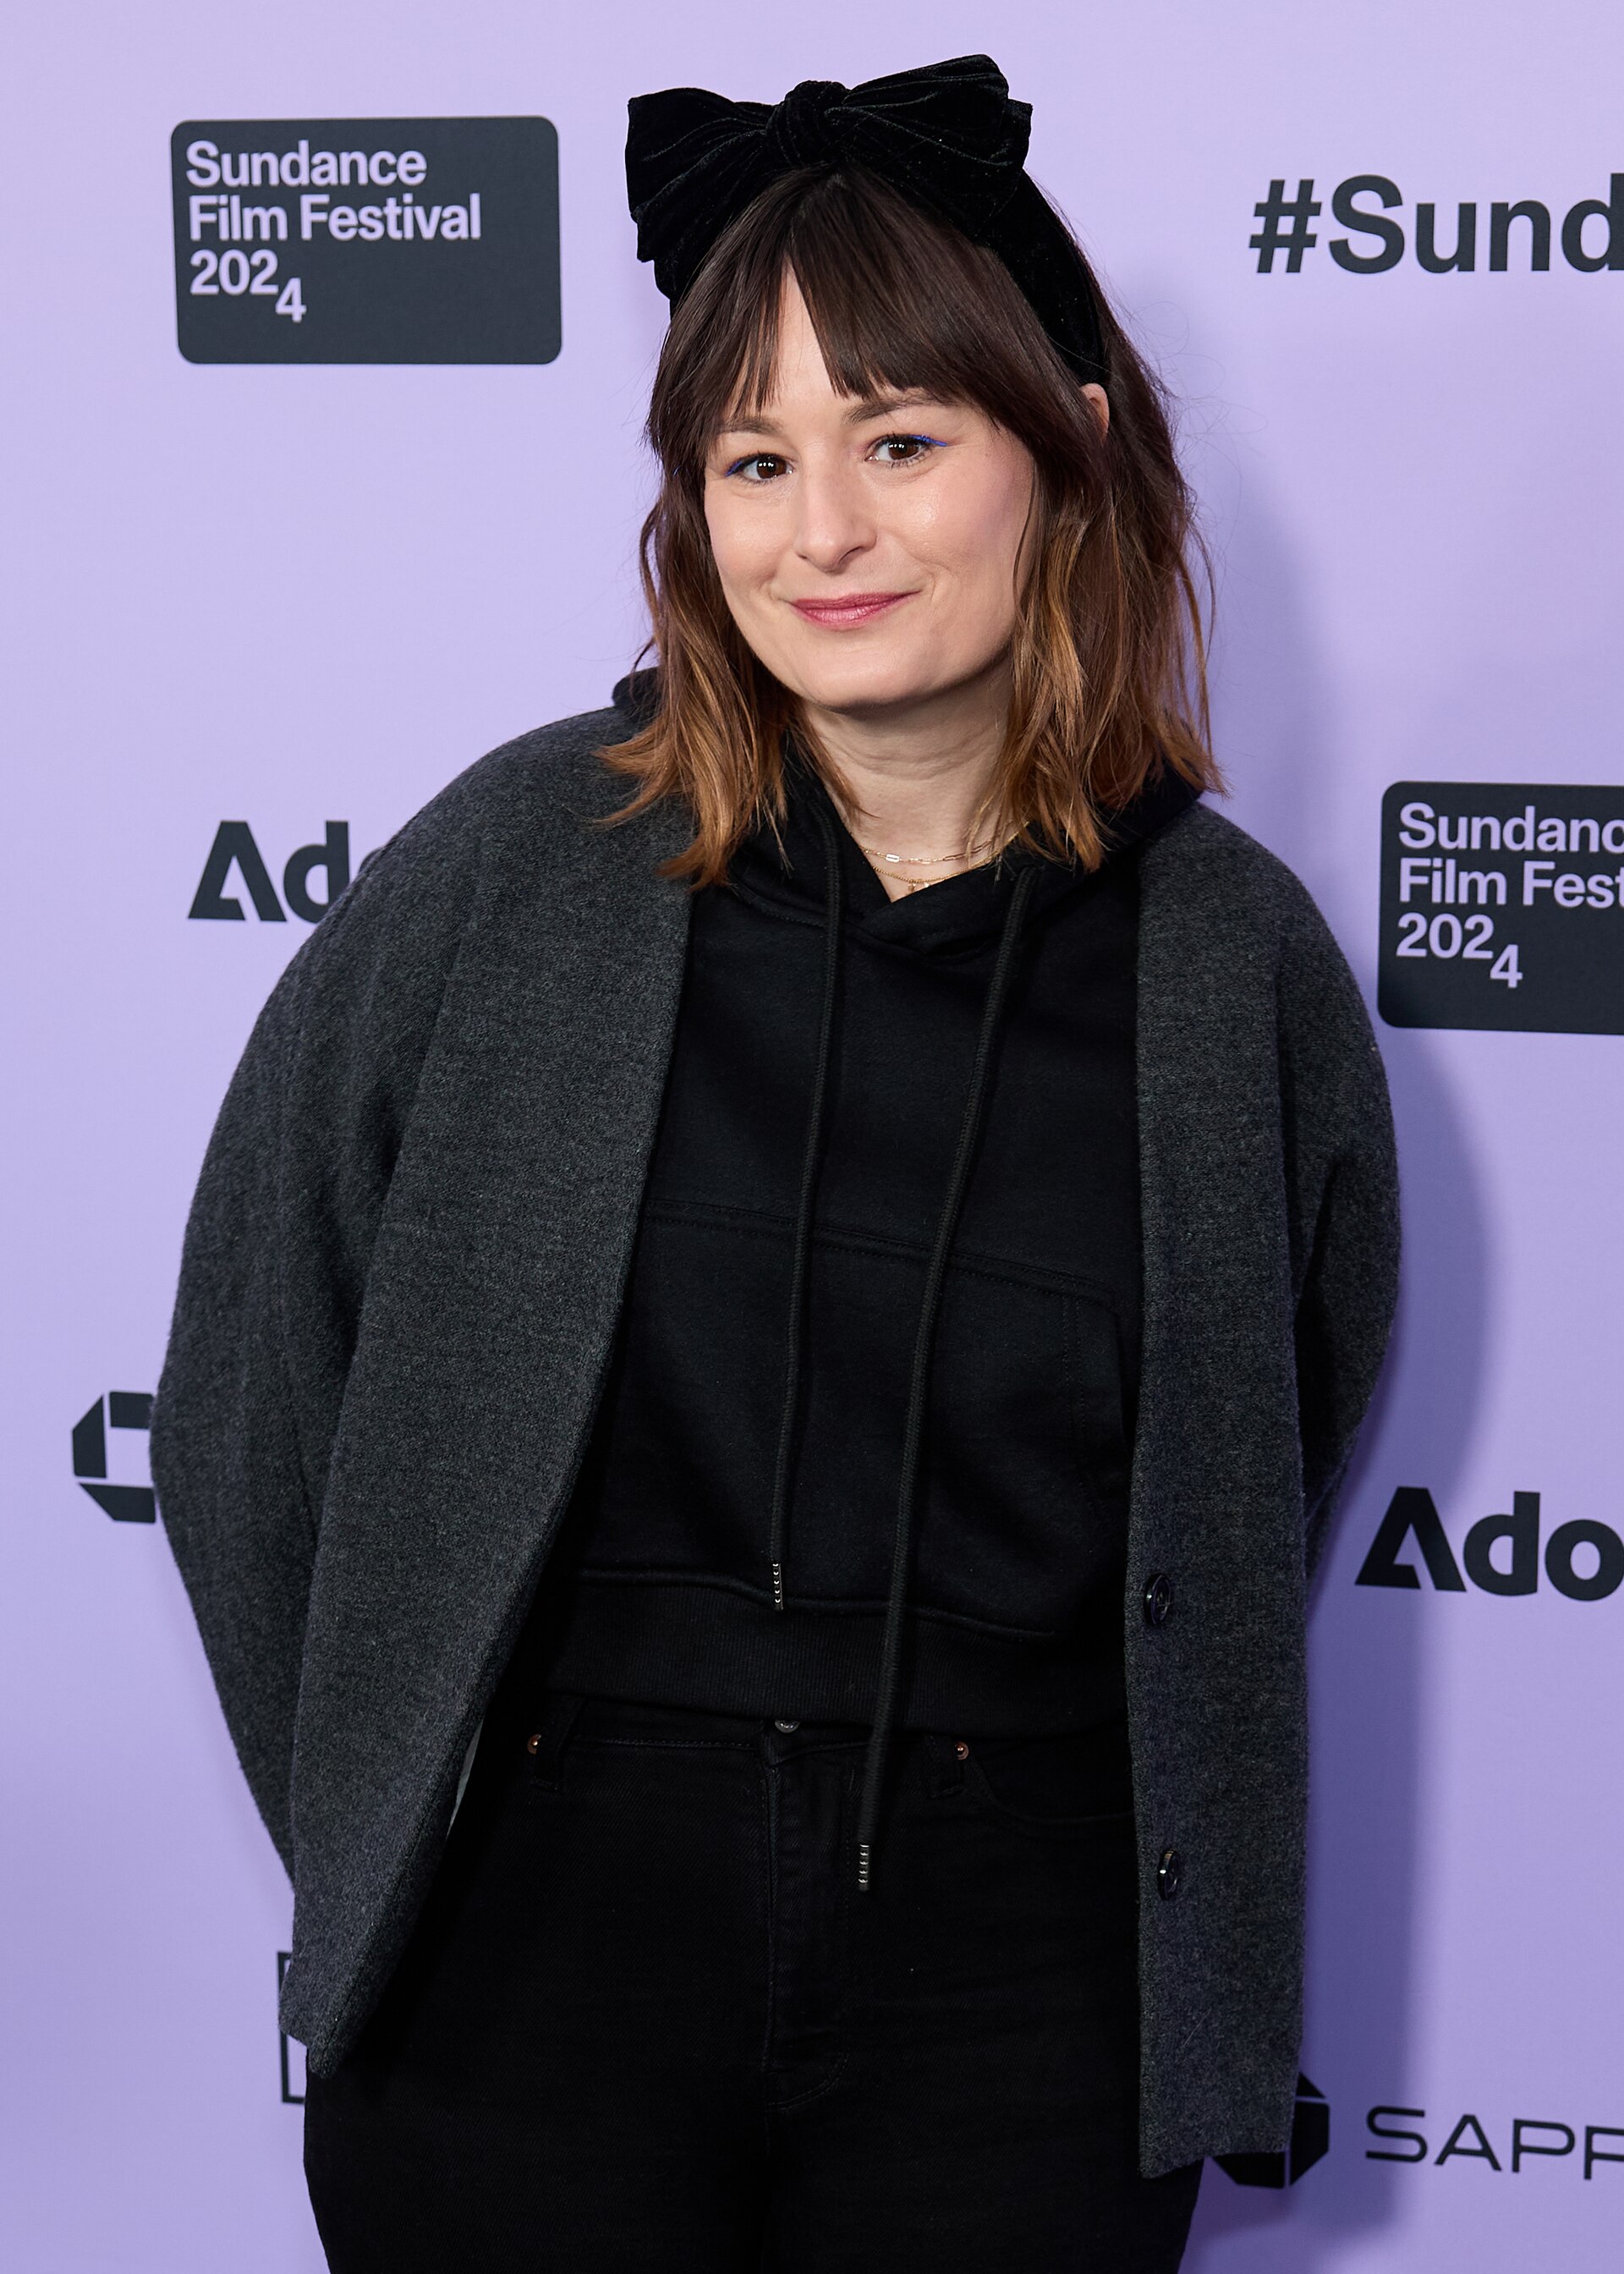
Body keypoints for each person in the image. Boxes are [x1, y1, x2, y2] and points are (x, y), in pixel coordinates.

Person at [151, 55, 1399, 2274]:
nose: (819, 534)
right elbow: (255, 1399)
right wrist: (393, 1821)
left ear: (1071, 444)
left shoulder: (1234, 965)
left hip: (1025, 1988)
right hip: (529, 1959)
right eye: (754, 460)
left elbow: (1259, 1463)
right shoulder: (530, 867)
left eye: (899, 441)